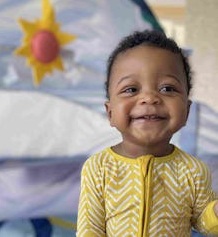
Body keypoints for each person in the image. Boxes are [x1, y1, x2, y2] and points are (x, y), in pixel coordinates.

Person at [77, 30, 218, 236]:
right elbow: (90, 230)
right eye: (131, 89)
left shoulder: (193, 171)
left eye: (167, 88)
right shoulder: (99, 168)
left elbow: (204, 223)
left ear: (186, 111)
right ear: (110, 113)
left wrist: (214, 212)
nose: (149, 98)